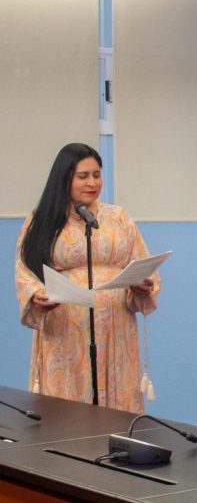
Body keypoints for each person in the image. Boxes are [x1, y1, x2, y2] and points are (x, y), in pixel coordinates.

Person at [15, 143, 159, 413]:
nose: (92, 182)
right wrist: (37, 295)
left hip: (116, 329)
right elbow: (25, 271)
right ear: (64, 178)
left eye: (97, 174)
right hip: (66, 327)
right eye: (83, 176)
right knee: (71, 405)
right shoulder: (41, 221)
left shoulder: (118, 218)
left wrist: (143, 284)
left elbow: (142, 262)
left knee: (116, 403)